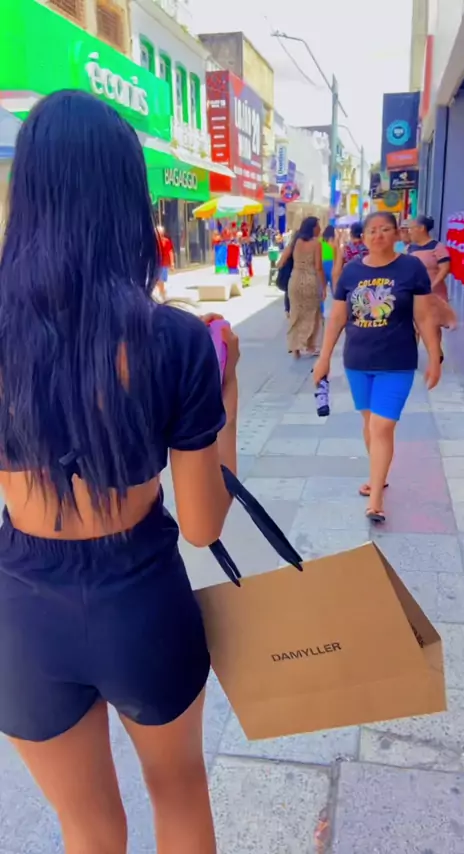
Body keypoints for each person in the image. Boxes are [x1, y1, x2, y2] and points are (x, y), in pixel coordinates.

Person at [0, 89, 240, 854]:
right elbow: (202, 526)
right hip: (140, 601)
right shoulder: (176, 341)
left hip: (22, 614)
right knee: (181, 794)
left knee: (88, 827)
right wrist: (227, 383)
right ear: (127, 201)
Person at [313, 211, 442, 524]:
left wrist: (434, 356)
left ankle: (375, 501)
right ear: (364, 236)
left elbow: (424, 316)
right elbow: (338, 317)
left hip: (397, 361)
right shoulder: (352, 271)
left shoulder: (411, 268)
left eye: (385, 229)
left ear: (397, 234)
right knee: (370, 422)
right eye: (372, 230)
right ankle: (378, 476)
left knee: (382, 426)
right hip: (358, 361)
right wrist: (324, 358)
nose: (378, 235)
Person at [279, 216, 326, 357]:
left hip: (295, 281)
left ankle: (295, 348)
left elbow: (281, 262)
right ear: (313, 228)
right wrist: (324, 286)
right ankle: (310, 346)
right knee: (313, 314)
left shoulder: (295, 241)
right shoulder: (317, 244)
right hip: (311, 281)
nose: (320, 228)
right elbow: (318, 267)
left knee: (296, 314)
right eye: (318, 226)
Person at [408, 215, 451, 360]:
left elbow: (445, 269)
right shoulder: (410, 248)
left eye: (412, 228)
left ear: (421, 228)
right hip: (415, 293)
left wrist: (432, 285)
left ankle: (436, 354)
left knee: (433, 325)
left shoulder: (437, 247)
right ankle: (411, 355)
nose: (409, 231)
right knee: (415, 325)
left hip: (435, 293)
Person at [156, 224, 175, 298]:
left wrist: (172, 263)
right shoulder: (153, 242)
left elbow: (170, 252)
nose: (158, 234)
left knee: (160, 280)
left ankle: (163, 294)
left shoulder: (166, 241)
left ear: (162, 233)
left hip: (164, 264)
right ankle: (163, 293)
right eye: (157, 232)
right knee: (157, 281)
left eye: (159, 232)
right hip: (156, 264)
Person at [321, 225, 335, 293]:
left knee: (321, 289)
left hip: (322, 263)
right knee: (334, 288)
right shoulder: (333, 240)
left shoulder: (320, 240)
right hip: (332, 263)